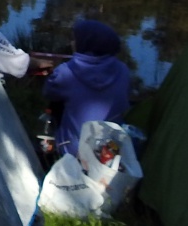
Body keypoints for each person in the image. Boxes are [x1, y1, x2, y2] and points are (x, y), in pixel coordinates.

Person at [43, 18, 131, 158]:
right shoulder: (123, 70)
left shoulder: (66, 72)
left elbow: (48, 91)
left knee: (56, 104)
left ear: (86, 43)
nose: (72, 43)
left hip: (73, 152)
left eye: (75, 39)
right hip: (110, 152)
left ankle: (54, 148)